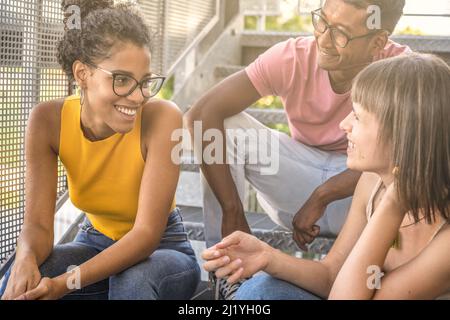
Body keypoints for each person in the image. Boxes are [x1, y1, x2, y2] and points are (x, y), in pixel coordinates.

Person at [202, 53, 450, 300]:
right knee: (260, 290)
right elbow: (332, 275)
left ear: (402, 135)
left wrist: (392, 205)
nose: (344, 124)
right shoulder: (371, 182)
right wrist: (267, 256)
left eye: (358, 116)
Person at [0, 0, 200, 300]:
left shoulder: (163, 118)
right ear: (83, 74)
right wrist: (26, 257)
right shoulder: (46, 121)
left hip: (164, 250)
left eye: (144, 82)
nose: (137, 97)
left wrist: (64, 284)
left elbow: (145, 237)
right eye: (121, 80)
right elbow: (39, 225)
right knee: (19, 280)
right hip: (94, 241)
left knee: (132, 281)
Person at [184, 0, 410, 255]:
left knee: (415, 151)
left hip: (362, 197)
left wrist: (324, 194)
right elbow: (201, 115)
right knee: (225, 125)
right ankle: (227, 262)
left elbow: (412, 157)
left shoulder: (404, 71)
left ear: (377, 43)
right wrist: (232, 210)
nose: (323, 40)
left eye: (340, 33)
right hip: (296, 186)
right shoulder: (292, 57)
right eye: (322, 22)